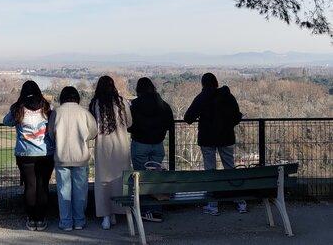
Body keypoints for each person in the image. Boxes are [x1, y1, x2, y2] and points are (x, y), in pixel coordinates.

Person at [184, 72, 247, 215]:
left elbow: (188, 118)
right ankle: (240, 201)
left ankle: (213, 204)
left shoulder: (202, 98)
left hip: (207, 139)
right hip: (226, 137)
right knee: (230, 167)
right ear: (216, 82)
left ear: (203, 84)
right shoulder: (228, 96)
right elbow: (237, 116)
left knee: (210, 170)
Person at [3, 81, 54, 231]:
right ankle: (41, 218)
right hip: (45, 153)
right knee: (43, 186)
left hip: (24, 154)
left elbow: (6, 122)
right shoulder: (47, 107)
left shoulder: (18, 108)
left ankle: (31, 219)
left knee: (30, 186)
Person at [48, 86, 97, 231]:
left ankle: (66, 222)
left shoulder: (57, 112)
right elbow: (93, 131)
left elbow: (51, 133)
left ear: (62, 97)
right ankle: (79, 221)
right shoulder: (84, 112)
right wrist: (83, 138)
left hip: (61, 157)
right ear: (77, 97)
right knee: (81, 191)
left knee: (63, 191)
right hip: (80, 157)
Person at [128, 77, 174, 222]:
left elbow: (129, 125)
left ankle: (144, 210)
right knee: (155, 178)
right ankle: (156, 210)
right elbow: (170, 124)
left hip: (139, 144)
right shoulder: (163, 105)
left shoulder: (134, 105)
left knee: (140, 179)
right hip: (158, 145)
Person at [90, 76, 132, 230]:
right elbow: (129, 122)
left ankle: (106, 216)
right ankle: (119, 211)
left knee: (103, 181)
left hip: (103, 146)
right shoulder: (121, 102)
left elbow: (93, 127)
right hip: (121, 146)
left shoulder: (95, 103)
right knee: (120, 180)